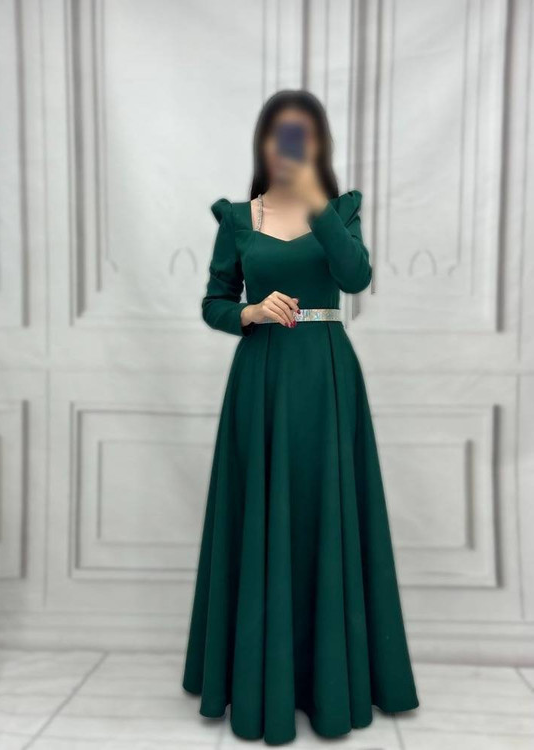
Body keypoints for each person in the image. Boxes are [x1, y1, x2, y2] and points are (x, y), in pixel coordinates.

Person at [182, 89, 419, 745]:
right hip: (260, 380)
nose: (289, 146)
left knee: (325, 512)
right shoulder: (237, 217)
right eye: (279, 135)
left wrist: (318, 205)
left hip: (327, 378)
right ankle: (259, 676)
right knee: (263, 514)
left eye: (302, 135)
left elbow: (355, 278)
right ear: (264, 144)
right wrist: (250, 312)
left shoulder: (340, 211)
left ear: (317, 145)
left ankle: (329, 681)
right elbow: (213, 302)